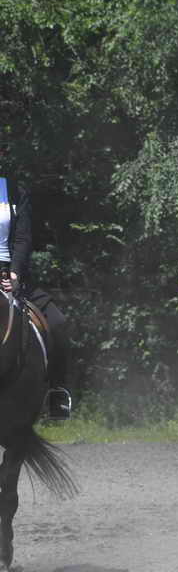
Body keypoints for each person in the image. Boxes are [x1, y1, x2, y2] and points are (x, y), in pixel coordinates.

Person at [0, 175, 71, 420]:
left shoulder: (14, 191)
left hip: (12, 274)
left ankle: (57, 393)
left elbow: (23, 237)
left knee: (58, 322)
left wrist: (15, 273)